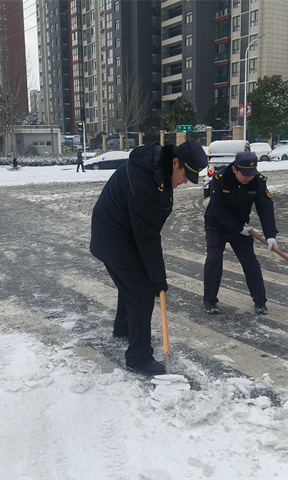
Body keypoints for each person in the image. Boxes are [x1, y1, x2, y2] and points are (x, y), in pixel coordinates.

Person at [90, 139, 208, 375]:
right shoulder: (144, 182)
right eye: (186, 175)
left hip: (125, 231)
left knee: (134, 283)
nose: (186, 181)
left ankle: (124, 328)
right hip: (113, 236)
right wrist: (158, 279)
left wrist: (152, 272)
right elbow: (147, 238)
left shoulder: (158, 170)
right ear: (175, 163)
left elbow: (149, 228)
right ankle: (139, 357)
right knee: (141, 291)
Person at [203, 151, 278, 316]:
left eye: (252, 173)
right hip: (217, 225)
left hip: (241, 227)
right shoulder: (219, 179)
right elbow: (218, 207)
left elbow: (265, 206)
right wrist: (237, 228)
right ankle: (209, 300)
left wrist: (270, 234)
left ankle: (260, 301)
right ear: (235, 169)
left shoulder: (257, 181)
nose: (249, 178)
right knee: (214, 260)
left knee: (250, 262)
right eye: (245, 174)